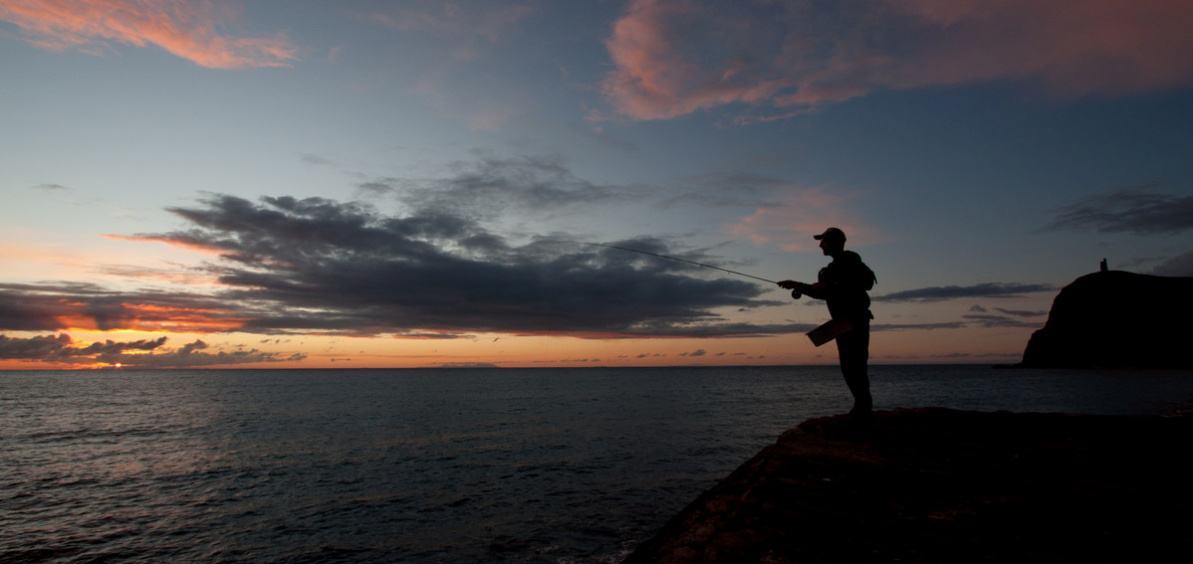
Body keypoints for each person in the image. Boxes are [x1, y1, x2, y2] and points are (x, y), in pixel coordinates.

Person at [778, 227, 876, 418]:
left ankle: (863, 409)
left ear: (835, 242)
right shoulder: (831, 269)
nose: (820, 244)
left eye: (824, 240)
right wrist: (797, 285)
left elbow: (864, 283)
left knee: (854, 364)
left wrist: (832, 285)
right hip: (842, 322)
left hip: (854, 320)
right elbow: (823, 292)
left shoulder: (849, 260)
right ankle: (862, 407)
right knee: (849, 365)